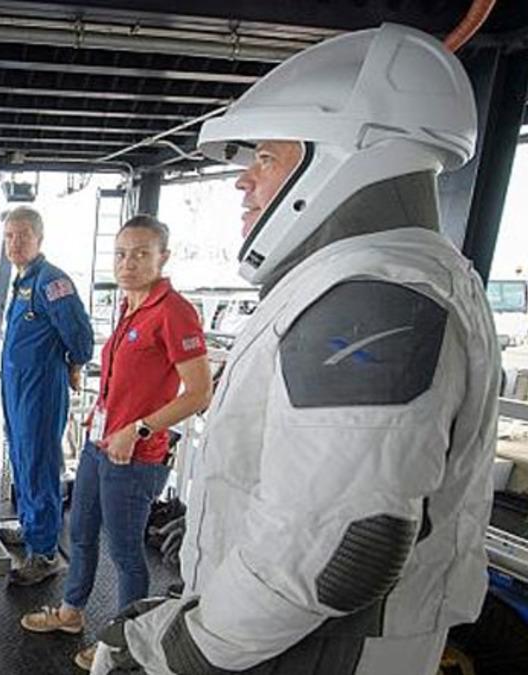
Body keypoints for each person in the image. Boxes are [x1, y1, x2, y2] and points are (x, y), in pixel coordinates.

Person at [92, 24, 498, 675]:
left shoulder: (371, 295)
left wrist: (186, 647)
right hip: (294, 639)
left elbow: (342, 545)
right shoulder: (384, 278)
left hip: (316, 651)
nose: (243, 181)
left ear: (342, 157)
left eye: (265, 157)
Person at [20, 214, 211, 670]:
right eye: (121, 254)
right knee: (81, 532)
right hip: (99, 443)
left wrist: (138, 429)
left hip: (136, 456)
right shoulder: (128, 305)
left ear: (163, 257)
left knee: (126, 552)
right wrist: (102, 420)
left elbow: (200, 393)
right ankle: (71, 612)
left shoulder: (174, 311)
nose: (128, 263)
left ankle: (125, 643)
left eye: (142, 254)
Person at [0, 206, 95, 585]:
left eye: (23, 235)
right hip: (16, 387)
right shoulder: (23, 280)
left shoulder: (52, 281)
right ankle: (30, 526)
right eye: (9, 236)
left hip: (40, 387)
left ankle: (45, 553)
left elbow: (79, 333)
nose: (15, 243)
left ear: (39, 238)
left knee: (39, 463)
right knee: (22, 458)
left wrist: (75, 364)